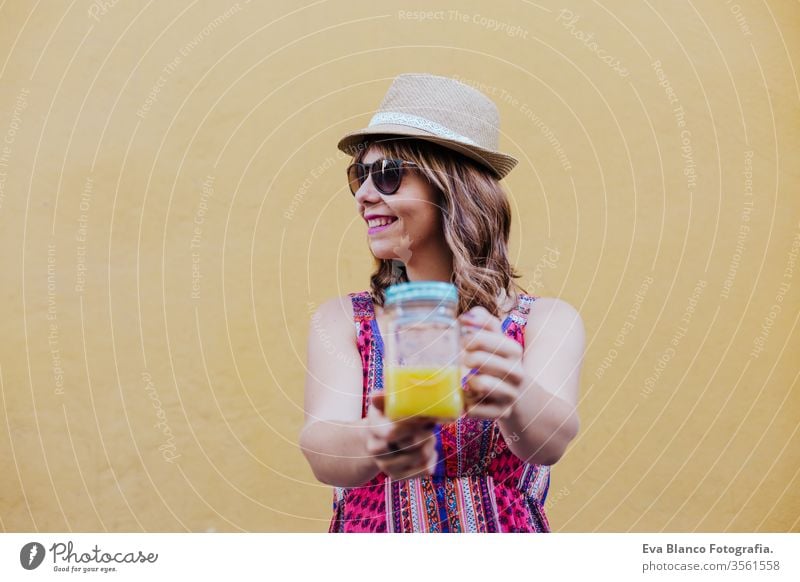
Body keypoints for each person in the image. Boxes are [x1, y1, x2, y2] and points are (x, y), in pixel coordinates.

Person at [299, 73, 584, 532]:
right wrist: (380, 437)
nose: (365, 195)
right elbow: (321, 448)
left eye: (388, 174)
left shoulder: (545, 321)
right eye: (360, 175)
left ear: (450, 187)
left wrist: (513, 390)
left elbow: (549, 443)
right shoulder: (344, 321)